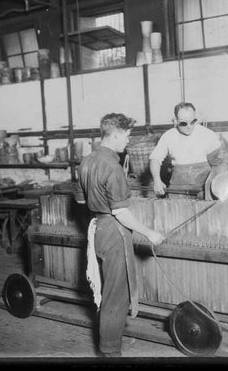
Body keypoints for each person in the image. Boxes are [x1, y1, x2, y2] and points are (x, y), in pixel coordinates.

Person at [77, 113, 165, 357]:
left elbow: (81, 200)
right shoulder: (113, 167)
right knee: (116, 296)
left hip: (98, 229)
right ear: (115, 134)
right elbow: (121, 212)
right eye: (126, 136)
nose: (128, 141)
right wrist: (150, 233)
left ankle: (109, 345)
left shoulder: (86, 161)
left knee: (109, 290)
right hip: (115, 232)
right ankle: (110, 351)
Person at [149, 102, 227, 199]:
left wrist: (219, 187)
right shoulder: (168, 136)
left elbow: (218, 163)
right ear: (175, 120)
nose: (189, 126)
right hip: (178, 186)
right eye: (183, 123)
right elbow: (155, 159)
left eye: (193, 121)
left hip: (204, 186)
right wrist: (157, 181)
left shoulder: (207, 134)